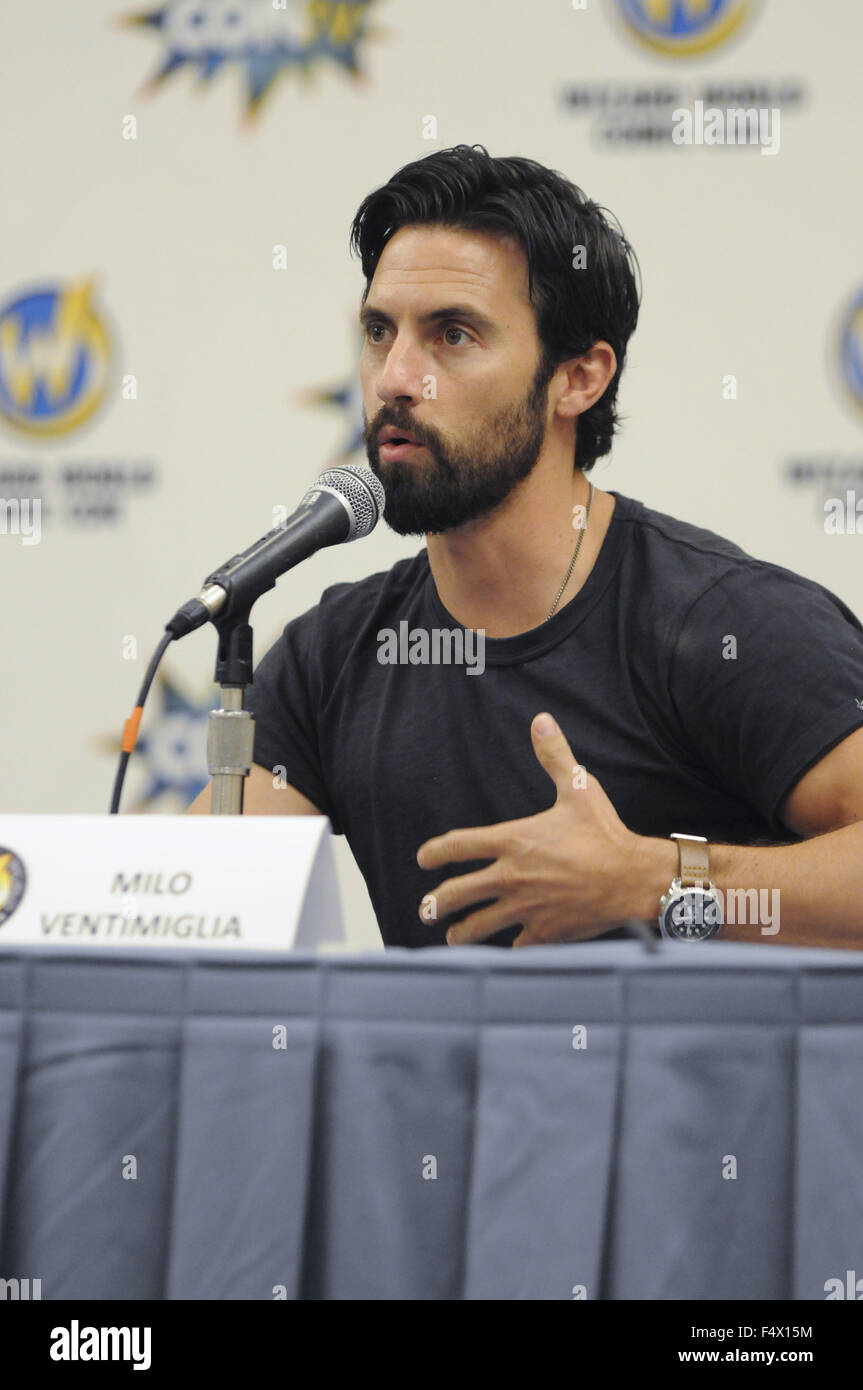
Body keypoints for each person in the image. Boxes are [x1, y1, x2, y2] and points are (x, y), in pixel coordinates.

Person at [189, 144, 863, 950]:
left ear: (577, 378)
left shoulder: (723, 624)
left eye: (453, 336)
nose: (396, 377)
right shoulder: (331, 656)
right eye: (379, 331)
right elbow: (194, 911)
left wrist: (655, 884)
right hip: (433, 1081)